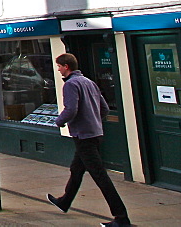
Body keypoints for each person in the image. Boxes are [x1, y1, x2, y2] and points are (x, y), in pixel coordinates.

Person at [48, 53, 130, 227]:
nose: (58, 70)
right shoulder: (89, 82)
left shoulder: (70, 85)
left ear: (66, 66)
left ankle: (121, 218)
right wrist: (93, 120)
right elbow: (105, 109)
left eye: (59, 66)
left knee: (100, 176)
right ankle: (64, 201)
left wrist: (58, 121)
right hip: (95, 133)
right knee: (76, 169)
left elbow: (71, 110)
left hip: (83, 135)